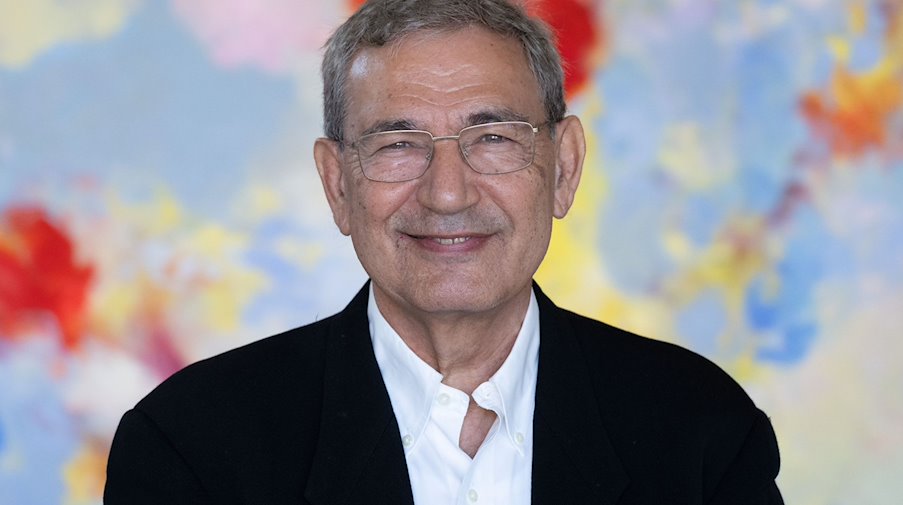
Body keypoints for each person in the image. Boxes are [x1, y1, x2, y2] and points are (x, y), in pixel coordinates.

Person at [104, 0, 784, 503]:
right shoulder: (191, 446)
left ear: (564, 166)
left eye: (493, 138)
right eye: (397, 144)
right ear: (337, 184)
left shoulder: (701, 432)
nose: (449, 194)